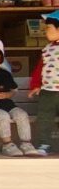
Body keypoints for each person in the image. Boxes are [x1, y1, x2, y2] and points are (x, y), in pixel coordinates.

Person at [29, 9, 59, 154]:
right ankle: (44, 143)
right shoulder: (47, 49)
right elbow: (40, 69)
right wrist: (36, 85)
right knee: (44, 117)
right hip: (48, 91)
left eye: (48, 28)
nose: (45, 31)